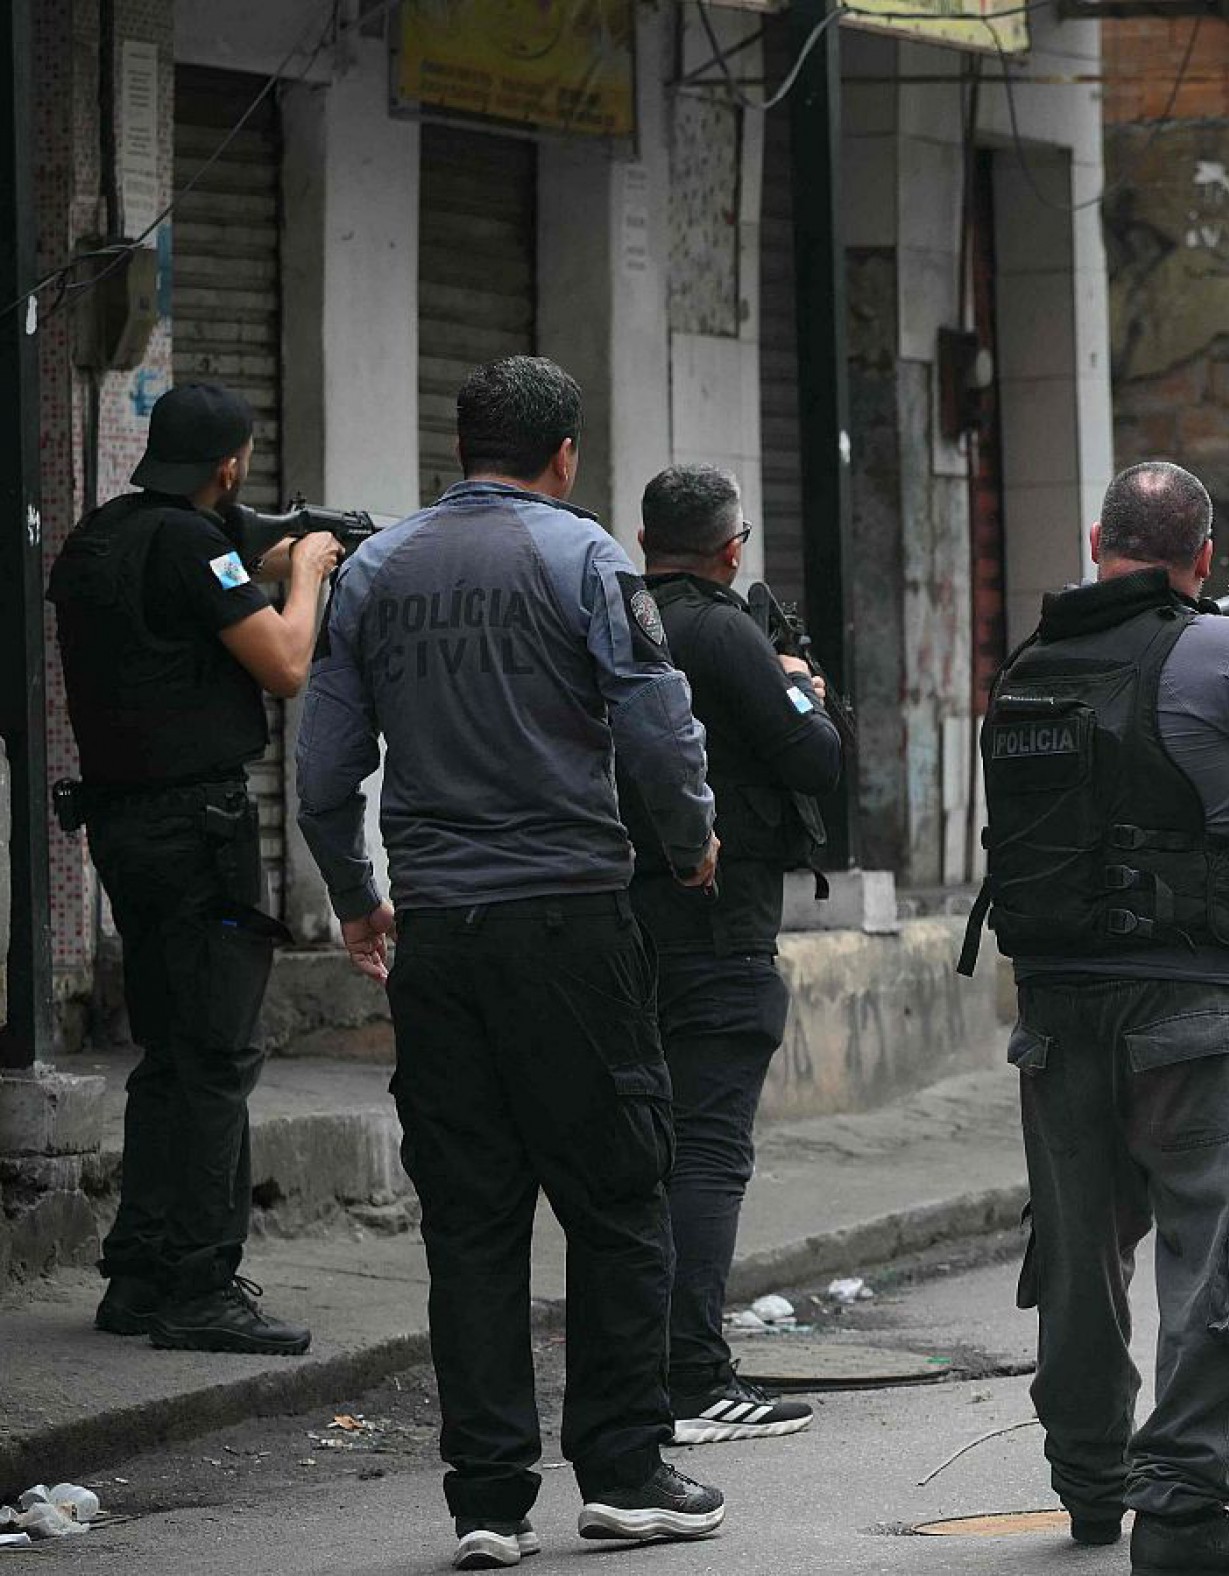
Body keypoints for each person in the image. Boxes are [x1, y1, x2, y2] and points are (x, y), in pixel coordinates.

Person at [294, 357, 730, 1571]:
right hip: (572, 928)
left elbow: (324, 768)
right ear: (566, 452)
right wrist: (690, 841)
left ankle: (487, 1500)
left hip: (438, 936)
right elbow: (654, 717)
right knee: (617, 1198)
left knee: (472, 1222)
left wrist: (357, 898)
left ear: (462, 442)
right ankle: (626, 1469)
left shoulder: (376, 568)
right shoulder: (583, 556)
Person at [963, 461, 1229, 1576]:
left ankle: (1089, 1482)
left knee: (1080, 1248)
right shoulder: (1227, 652)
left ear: (1095, 542)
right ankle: (1179, 1504)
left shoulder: (1026, 667)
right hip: (1191, 1007)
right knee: (1221, 1241)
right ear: (1201, 557)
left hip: (1055, 1009)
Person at [47, 383, 339, 1354]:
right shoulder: (191, 546)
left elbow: (170, 615)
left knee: (171, 1052)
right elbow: (287, 661)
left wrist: (256, 556)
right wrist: (310, 572)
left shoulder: (103, 536)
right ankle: (200, 1286)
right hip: (198, 828)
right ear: (228, 466)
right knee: (216, 1055)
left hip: (125, 824)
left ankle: (141, 1273)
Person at [620, 465, 842, 1445]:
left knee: (644, 1148)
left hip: (620, 920)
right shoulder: (721, 630)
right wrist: (801, 692)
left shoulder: (619, 615)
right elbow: (817, 759)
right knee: (708, 1147)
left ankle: (641, 1366)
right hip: (717, 919)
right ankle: (694, 1378)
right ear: (730, 548)